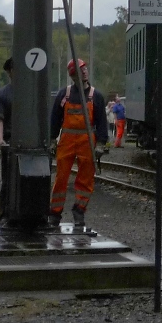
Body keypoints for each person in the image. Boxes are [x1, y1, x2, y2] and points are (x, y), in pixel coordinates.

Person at [49, 59, 108, 227]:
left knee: (85, 179)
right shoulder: (64, 94)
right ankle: (55, 213)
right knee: (61, 177)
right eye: (80, 70)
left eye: (85, 68)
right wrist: (53, 139)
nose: (84, 72)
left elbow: (102, 122)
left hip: (87, 141)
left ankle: (79, 211)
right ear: (73, 75)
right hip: (67, 140)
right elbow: (54, 119)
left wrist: (101, 143)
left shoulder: (96, 96)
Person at [0, 58, 14, 224]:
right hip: (10, 140)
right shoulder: (3, 94)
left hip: (31, 142)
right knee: (7, 182)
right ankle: (4, 216)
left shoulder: (33, 91)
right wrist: (0, 140)